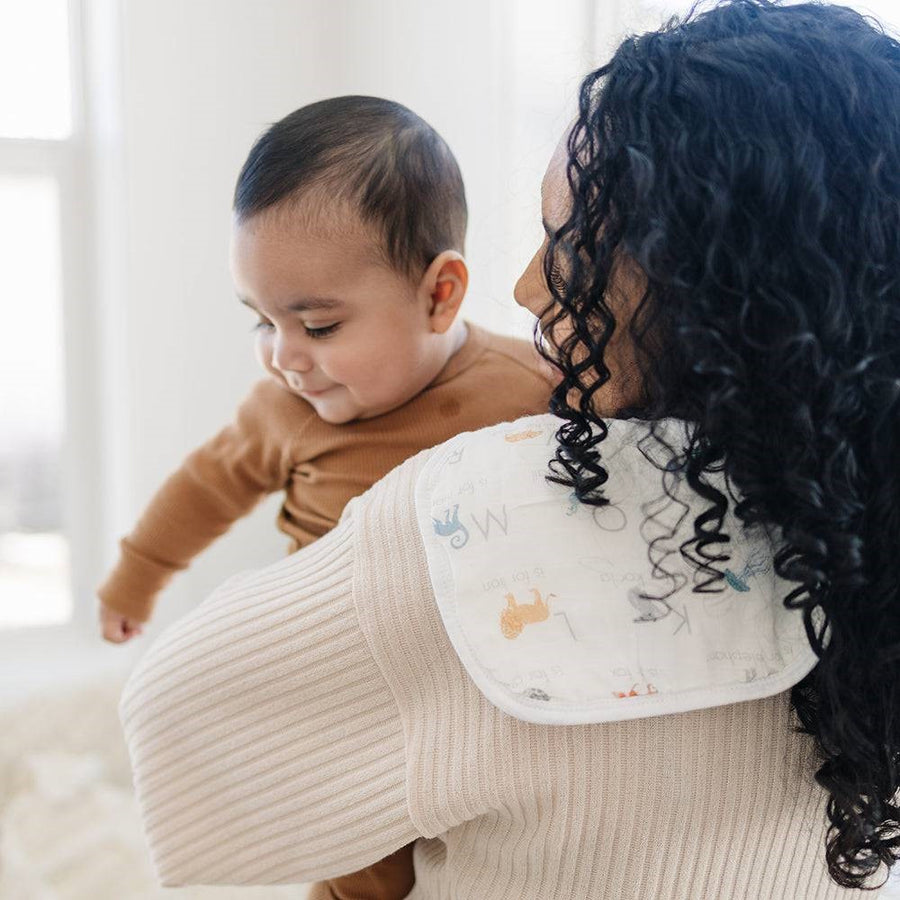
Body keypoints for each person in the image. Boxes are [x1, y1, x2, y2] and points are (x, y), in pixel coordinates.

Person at [119, 2, 900, 897]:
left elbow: (174, 717)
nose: (528, 287)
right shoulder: (865, 516)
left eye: (574, 241)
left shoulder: (481, 509)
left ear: (714, 280)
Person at [98, 96, 552, 899]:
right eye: (262, 322)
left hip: (474, 677)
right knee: (355, 861)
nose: (282, 357)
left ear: (440, 295)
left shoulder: (524, 394)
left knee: (493, 837)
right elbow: (206, 485)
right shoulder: (283, 411)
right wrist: (136, 575)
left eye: (317, 325)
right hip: (335, 684)